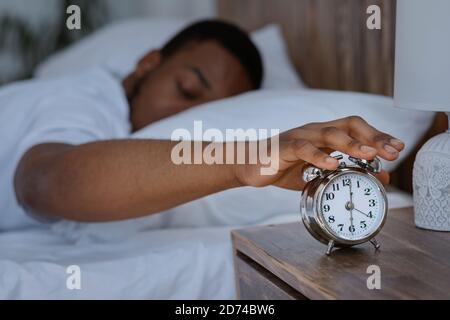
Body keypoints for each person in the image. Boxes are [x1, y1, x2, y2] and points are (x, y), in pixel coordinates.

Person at [0, 20, 404, 230]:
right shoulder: (83, 100)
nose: (181, 117)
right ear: (148, 64)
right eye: (188, 89)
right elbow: (43, 185)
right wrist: (244, 160)